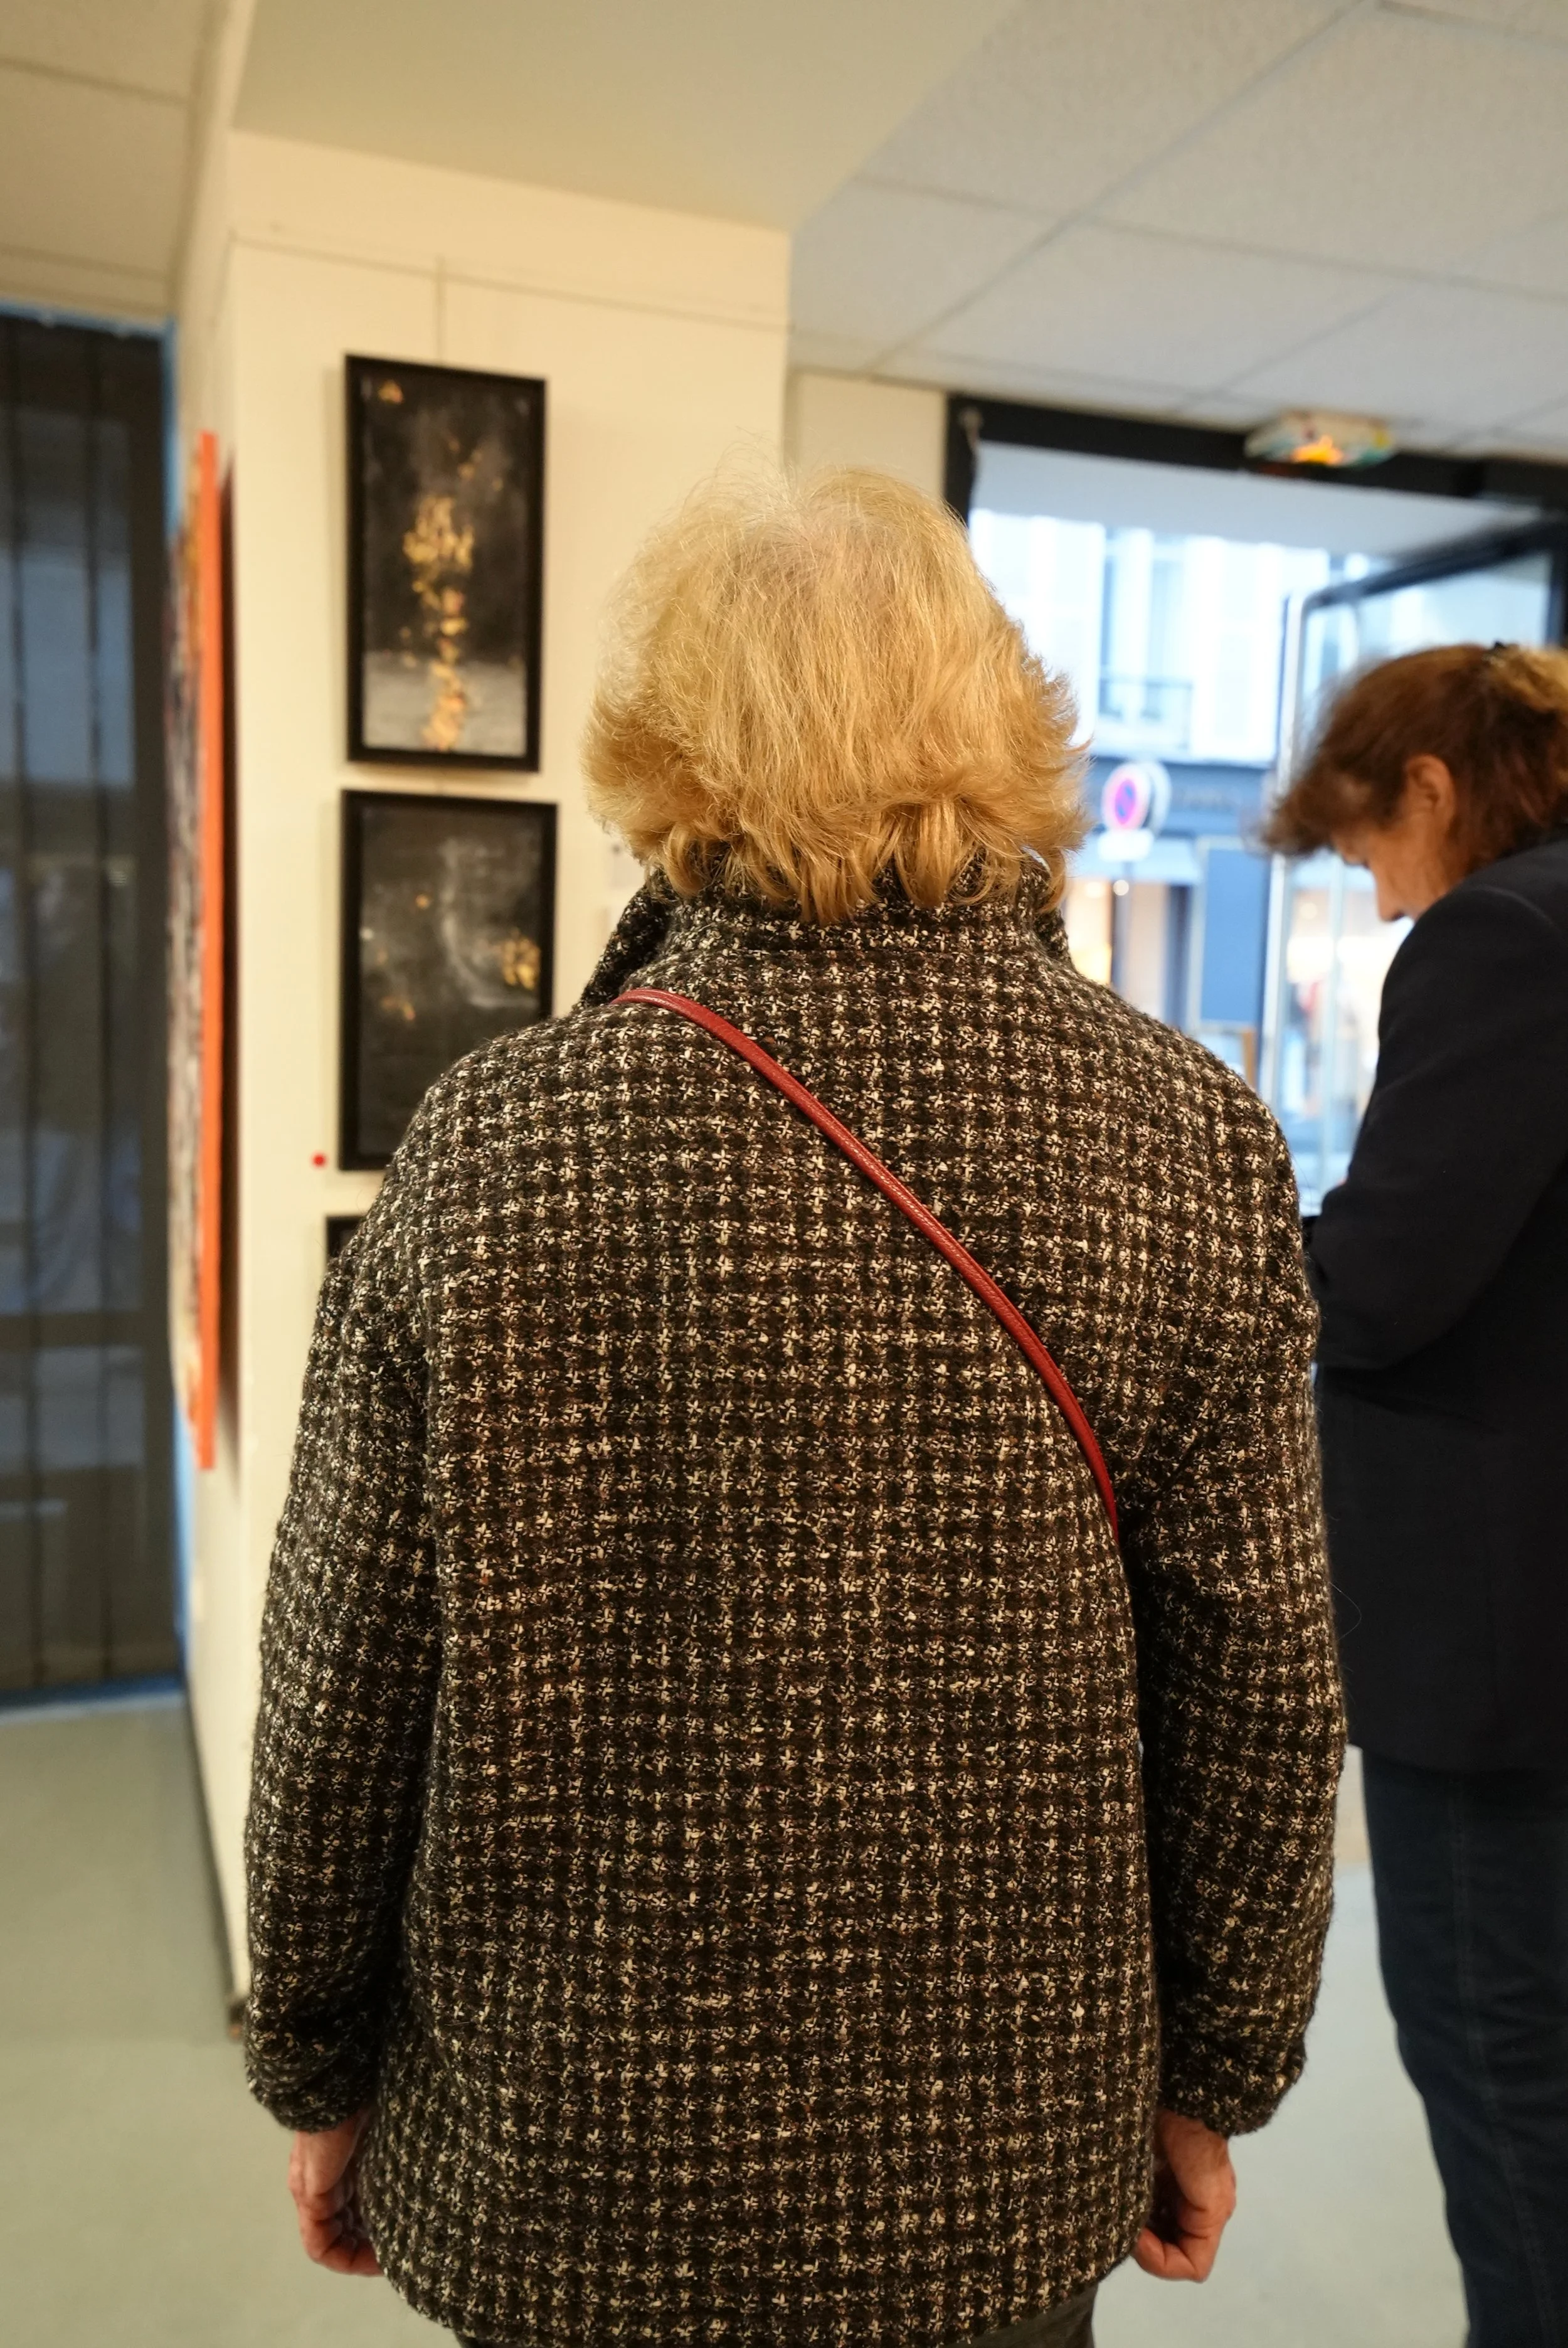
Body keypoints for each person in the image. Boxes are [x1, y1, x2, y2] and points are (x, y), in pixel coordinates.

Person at [245, 466, 1343, 2348]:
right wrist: (1210, 2077)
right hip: (996, 2155)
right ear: (1006, 727)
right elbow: (1260, 1686)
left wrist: (318, 2060)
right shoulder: (1185, 1141)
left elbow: (344, 1674)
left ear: (664, 752)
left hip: (563, 2138)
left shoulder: (495, 1147)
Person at [1265, 640, 1568, 2348]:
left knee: (1498, 2069)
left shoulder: (1500, 936)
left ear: (1434, 790)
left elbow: (1383, 1281)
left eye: (1370, 847)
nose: (1379, 898)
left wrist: (1216, 1250)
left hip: (1494, 1653)